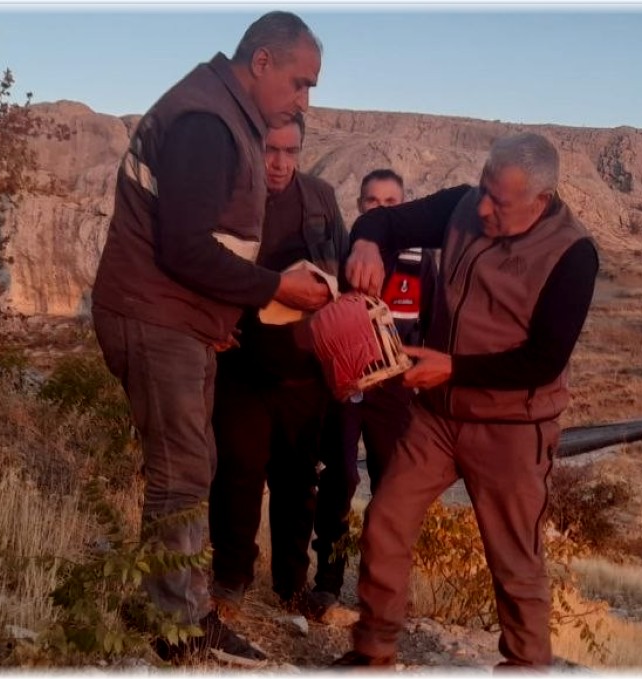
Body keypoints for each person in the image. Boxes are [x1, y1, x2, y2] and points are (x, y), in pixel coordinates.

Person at [90, 11, 330, 663]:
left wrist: (217, 317)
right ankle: (180, 627)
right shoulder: (206, 122)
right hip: (154, 314)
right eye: (301, 82)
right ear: (261, 63)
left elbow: (203, 244)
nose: (305, 99)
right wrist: (276, 288)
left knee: (188, 465)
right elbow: (184, 247)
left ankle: (173, 605)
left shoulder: (220, 112)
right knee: (182, 470)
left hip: (176, 318)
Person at [330, 133, 600, 668]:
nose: (481, 207)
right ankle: (373, 651)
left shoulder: (572, 254)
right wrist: (365, 241)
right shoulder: (461, 207)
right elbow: (388, 221)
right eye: (482, 189)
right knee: (385, 520)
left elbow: (544, 359)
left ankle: (524, 664)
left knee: (514, 560)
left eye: (498, 202)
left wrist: (451, 367)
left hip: (512, 426)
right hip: (437, 416)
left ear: (539, 202)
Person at [208, 114, 348, 621]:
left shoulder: (321, 198)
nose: (280, 163)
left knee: (296, 484)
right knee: (237, 475)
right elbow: (202, 265)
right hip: (241, 366)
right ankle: (230, 581)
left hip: (305, 374)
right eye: (271, 150)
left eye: (290, 152)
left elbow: (344, 271)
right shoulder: (229, 195)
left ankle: (291, 588)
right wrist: (210, 321)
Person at [309, 169, 439, 612]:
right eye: (372, 201)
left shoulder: (422, 260)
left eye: (391, 201)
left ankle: (381, 587)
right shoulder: (346, 253)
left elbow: (433, 322)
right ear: (360, 205)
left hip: (397, 389)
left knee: (392, 485)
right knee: (339, 478)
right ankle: (327, 578)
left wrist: (420, 381)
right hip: (347, 387)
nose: (381, 209)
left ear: (405, 206)